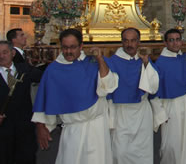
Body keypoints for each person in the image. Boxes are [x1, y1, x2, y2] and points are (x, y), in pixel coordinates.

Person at [32, 29, 118, 164]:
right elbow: (45, 97)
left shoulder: (94, 62)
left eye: (72, 47)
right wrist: (41, 126)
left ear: (81, 46)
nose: (68, 51)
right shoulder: (54, 69)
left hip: (97, 127)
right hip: (73, 130)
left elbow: (108, 86)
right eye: (65, 47)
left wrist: (100, 59)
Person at [104, 27, 160, 164]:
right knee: (120, 152)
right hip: (121, 113)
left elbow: (153, 87)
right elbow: (106, 88)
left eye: (133, 41)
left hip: (142, 113)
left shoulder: (144, 61)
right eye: (126, 41)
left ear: (138, 42)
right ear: (122, 42)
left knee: (143, 152)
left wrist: (146, 63)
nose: (129, 45)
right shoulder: (112, 62)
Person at [154, 28, 186, 164]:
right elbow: (153, 90)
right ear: (166, 43)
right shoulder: (160, 63)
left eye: (178, 40)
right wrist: (160, 113)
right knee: (172, 144)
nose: (175, 43)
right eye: (171, 40)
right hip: (170, 106)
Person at [0, 40, 42, 164]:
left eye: (5, 52)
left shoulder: (24, 69)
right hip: (2, 131)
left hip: (24, 130)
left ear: (13, 53)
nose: (1, 56)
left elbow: (45, 77)